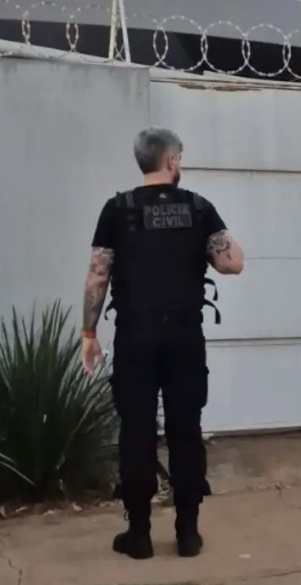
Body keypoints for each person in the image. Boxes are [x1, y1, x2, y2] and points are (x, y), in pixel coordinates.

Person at [80, 127, 244, 560]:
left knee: (136, 430)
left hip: (135, 336)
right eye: (180, 158)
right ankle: (187, 533)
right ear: (171, 161)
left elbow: (98, 274)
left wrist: (89, 334)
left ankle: (139, 535)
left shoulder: (118, 209)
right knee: (185, 429)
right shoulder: (197, 207)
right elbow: (233, 263)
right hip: (184, 336)